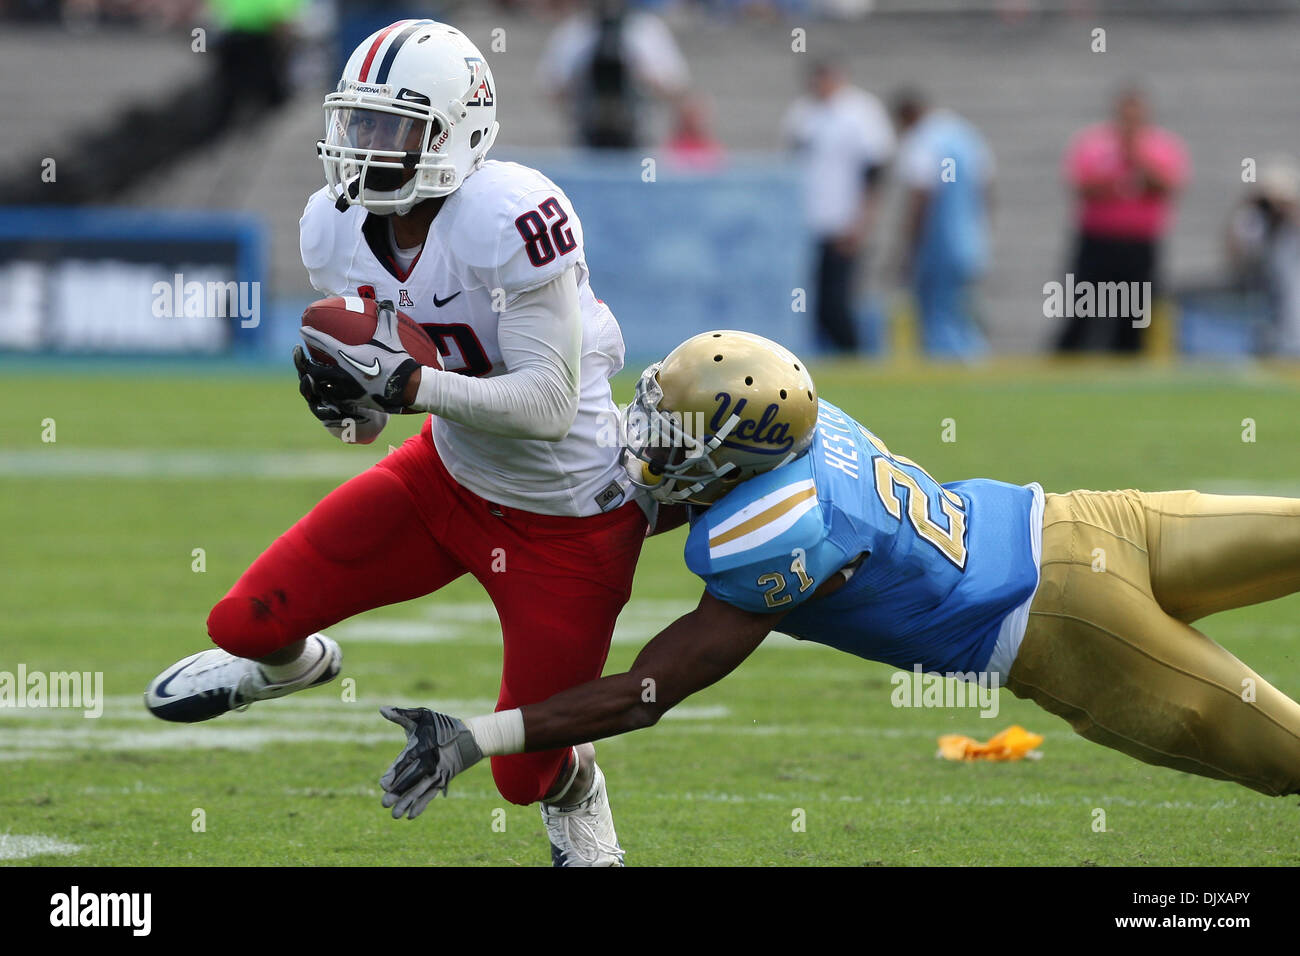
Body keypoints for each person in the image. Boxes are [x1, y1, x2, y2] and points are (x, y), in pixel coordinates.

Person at [375, 330, 1300, 823]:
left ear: (732, 453)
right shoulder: (804, 421)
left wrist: (478, 737)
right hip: (1086, 519)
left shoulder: (778, 533)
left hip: (1070, 632)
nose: (646, 438)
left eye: (671, 434)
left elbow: (644, 693)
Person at [143, 19, 651, 867]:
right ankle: (293, 667)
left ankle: (580, 783)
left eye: (391, 127)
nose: (366, 146)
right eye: (360, 124)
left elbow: (550, 404)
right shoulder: (335, 226)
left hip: (570, 517)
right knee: (241, 621)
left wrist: (407, 388)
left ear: (457, 132)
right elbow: (368, 425)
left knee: (524, 778)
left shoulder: (510, 214)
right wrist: (345, 406)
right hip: (445, 482)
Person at [1057, 86, 1189, 353]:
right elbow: (1081, 185)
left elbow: (1168, 185)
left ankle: (1127, 367)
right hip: (1098, 243)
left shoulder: (1161, 146)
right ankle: (1066, 366)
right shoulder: (1094, 144)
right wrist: (1116, 183)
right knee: (1083, 309)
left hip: (1139, 246)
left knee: (1134, 318)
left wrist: (1137, 158)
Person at [783, 59, 894, 353]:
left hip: (844, 223)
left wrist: (862, 221)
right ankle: (837, 359)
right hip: (811, 223)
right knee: (815, 303)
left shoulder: (861, 112)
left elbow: (875, 171)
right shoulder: (803, 113)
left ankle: (853, 355)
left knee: (838, 301)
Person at [891, 88, 993, 359]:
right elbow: (986, 188)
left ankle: (953, 363)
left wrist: (910, 246)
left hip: (938, 244)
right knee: (961, 310)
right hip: (969, 241)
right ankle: (975, 359)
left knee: (936, 313)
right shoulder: (963, 134)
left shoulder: (923, 139)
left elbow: (922, 195)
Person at [536, 0, 689, 149]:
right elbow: (551, 89)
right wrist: (582, 77)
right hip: (587, 135)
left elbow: (677, 87)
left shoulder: (648, 30)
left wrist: (638, 74)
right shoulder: (574, 32)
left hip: (639, 133)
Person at [1225, 154, 1300, 357]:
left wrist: (1289, 213)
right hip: (1258, 289)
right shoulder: (1254, 222)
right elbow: (1235, 250)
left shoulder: (1292, 225)